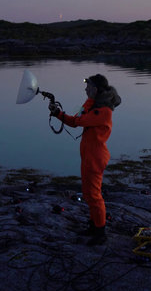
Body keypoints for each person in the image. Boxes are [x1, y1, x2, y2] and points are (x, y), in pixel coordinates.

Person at [49, 74, 121, 246]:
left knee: (94, 195)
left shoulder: (103, 112)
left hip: (95, 157)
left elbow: (79, 120)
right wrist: (58, 113)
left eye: (88, 87)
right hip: (89, 156)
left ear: (95, 89)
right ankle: (94, 225)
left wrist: (89, 100)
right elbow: (75, 120)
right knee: (89, 194)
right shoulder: (94, 106)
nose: (85, 89)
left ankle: (100, 232)